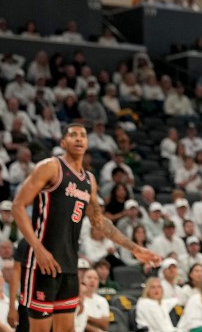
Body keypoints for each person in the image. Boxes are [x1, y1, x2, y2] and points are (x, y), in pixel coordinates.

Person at [11, 124, 161, 332]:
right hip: (42, 263)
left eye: (83, 135)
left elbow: (100, 222)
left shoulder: (89, 180)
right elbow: (17, 206)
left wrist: (135, 248)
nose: (79, 139)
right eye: (73, 135)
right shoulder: (50, 166)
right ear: (63, 142)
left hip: (70, 265)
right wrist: (38, 248)